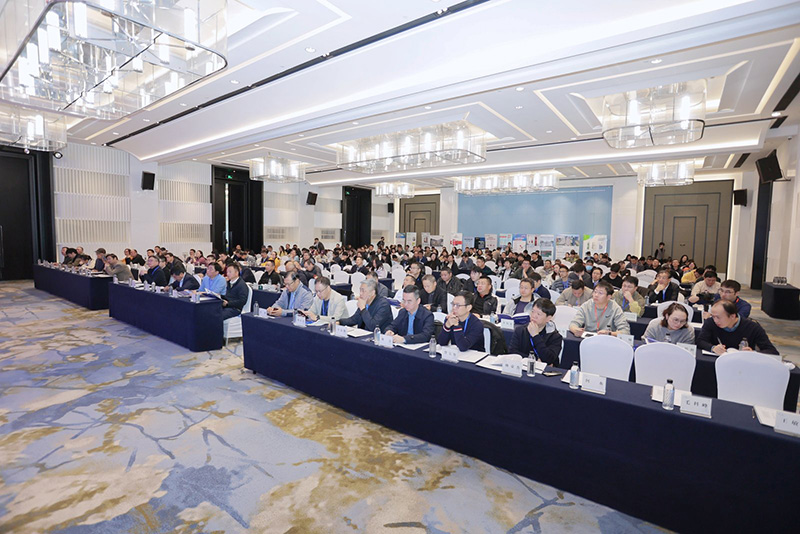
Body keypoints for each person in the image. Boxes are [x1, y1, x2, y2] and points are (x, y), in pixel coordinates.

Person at [696, 300, 778, 355]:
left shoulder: (752, 327)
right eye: (713, 316)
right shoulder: (710, 322)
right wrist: (713, 348)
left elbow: (772, 351)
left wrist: (753, 353)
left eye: (718, 317)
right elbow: (700, 341)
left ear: (732, 316)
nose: (715, 320)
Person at [508, 299, 563, 365]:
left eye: (538, 314)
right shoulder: (520, 330)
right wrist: (534, 360)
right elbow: (512, 353)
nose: (534, 316)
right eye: (533, 311)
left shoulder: (555, 337)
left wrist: (535, 336)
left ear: (548, 318)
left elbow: (549, 359)